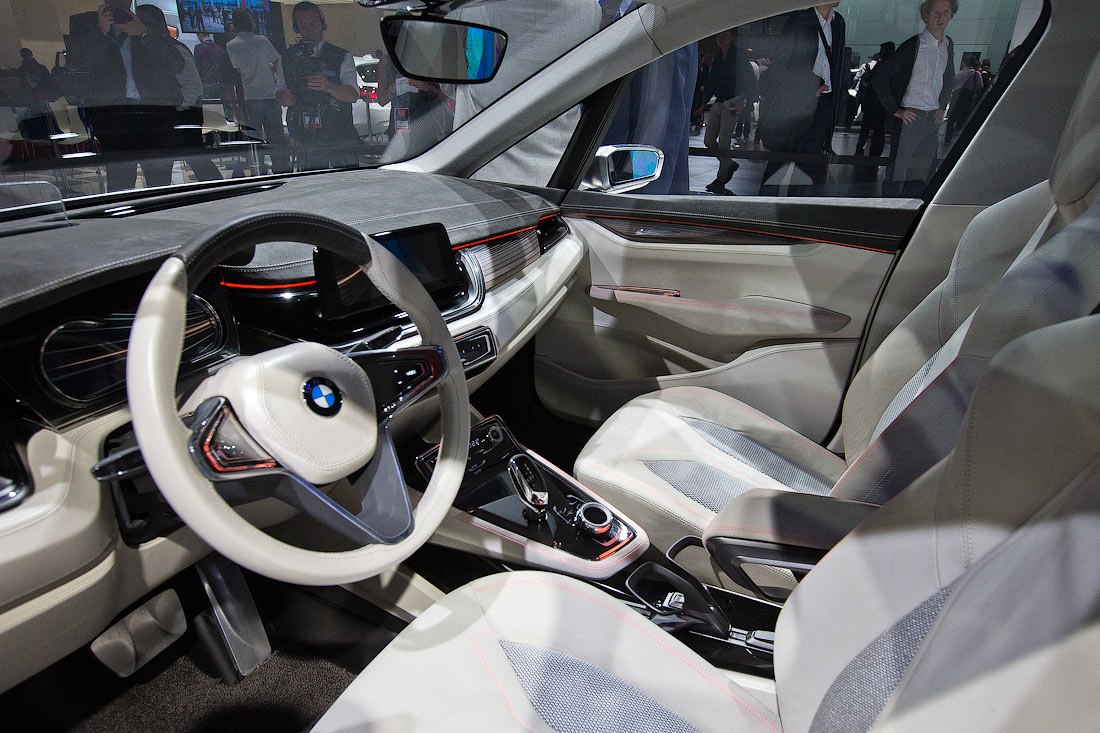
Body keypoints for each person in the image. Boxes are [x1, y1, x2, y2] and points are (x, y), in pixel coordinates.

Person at [443, 0, 600, 184]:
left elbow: (447, 81)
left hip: (483, 172)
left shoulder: (472, 5)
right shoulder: (590, 8)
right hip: (559, 173)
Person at [68, 0, 184, 191]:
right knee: (120, 183)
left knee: (160, 183)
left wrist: (144, 34)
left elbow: (176, 64)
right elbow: (79, 65)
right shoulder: (88, 26)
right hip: (114, 116)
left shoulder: (146, 23)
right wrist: (101, 32)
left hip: (154, 115)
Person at [759, 3, 846, 191]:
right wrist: (810, 85)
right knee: (781, 158)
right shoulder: (799, 20)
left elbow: (838, 63)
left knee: (807, 163)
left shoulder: (838, 22)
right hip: (796, 101)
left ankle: (795, 205)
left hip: (824, 102)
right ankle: (766, 202)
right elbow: (782, 64)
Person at [872, 0, 956, 195]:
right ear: (926, 16)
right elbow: (880, 76)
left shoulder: (947, 45)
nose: (941, 17)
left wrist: (941, 106)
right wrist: (895, 110)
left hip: (932, 119)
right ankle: (889, 207)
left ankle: (913, 208)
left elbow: (949, 78)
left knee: (923, 172)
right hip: (911, 118)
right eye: (936, 12)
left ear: (951, 15)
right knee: (898, 171)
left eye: (946, 12)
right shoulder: (913, 45)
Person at [135, 5, 222, 183]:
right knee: (162, 170)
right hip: (166, 116)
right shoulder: (149, 50)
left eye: (146, 22)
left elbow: (193, 86)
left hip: (180, 115)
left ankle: (220, 191)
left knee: (196, 162)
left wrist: (177, 108)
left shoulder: (174, 48)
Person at [275, 1, 359, 171]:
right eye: (303, 25)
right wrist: (284, 97)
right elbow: (279, 92)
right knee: (312, 182)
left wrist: (329, 87)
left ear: (323, 24)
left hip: (340, 132)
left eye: (314, 23)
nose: (309, 29)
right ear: (296, 27)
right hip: (305, 134)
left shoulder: (341, 55)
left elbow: (352, 95)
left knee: (349, 181)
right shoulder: (287, 58)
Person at [226, 8, 290, 174]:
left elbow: (233, 73)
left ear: (235, 24)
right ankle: (282, 169)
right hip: (270, 94)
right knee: (277, 137)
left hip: (249, 97)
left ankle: (259, 170)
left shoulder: (231, 46)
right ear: (251, 23)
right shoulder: (262, 40)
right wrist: (268, 69)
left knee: (255, 139)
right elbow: (278, 63)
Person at [696, 29, 755, 195]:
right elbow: (712, 82)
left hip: (732, 103)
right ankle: (728, 163)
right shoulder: (718, 58)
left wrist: (745, 100)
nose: (720, 38)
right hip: (719, 102)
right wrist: (704, 104)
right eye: (718, 35)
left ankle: (721, 178)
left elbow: (749, 79)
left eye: (724, 35)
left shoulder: (739, 56)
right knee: (708, 141)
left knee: (724, 142)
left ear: (732, 37)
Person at [854, 41, 895, 160]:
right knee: (875, 127)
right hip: (876, 101)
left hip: (877, 101)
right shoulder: (885, 64)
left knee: (873, 127)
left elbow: (871, 79)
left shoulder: (885, 65)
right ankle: (870, 151)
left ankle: (869, 150)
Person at [16, 49, 61, 142]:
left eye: (26, 55)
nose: (25, 58)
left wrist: (37, 84)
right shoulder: (22, 70)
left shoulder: (40, 68)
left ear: (31, 55)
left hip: (40, 97)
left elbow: (48, 82)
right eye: (23, 56)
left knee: (44, 116)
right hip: (29, 99)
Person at [943, 57, 983, 142]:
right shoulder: (976, 74)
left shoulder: (958, 73)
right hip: (968, 97)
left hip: (956, 96)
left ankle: (948, 137)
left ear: (964, 63)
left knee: (951, 118)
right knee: (965, 117)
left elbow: (951, 85)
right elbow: (980, 85)